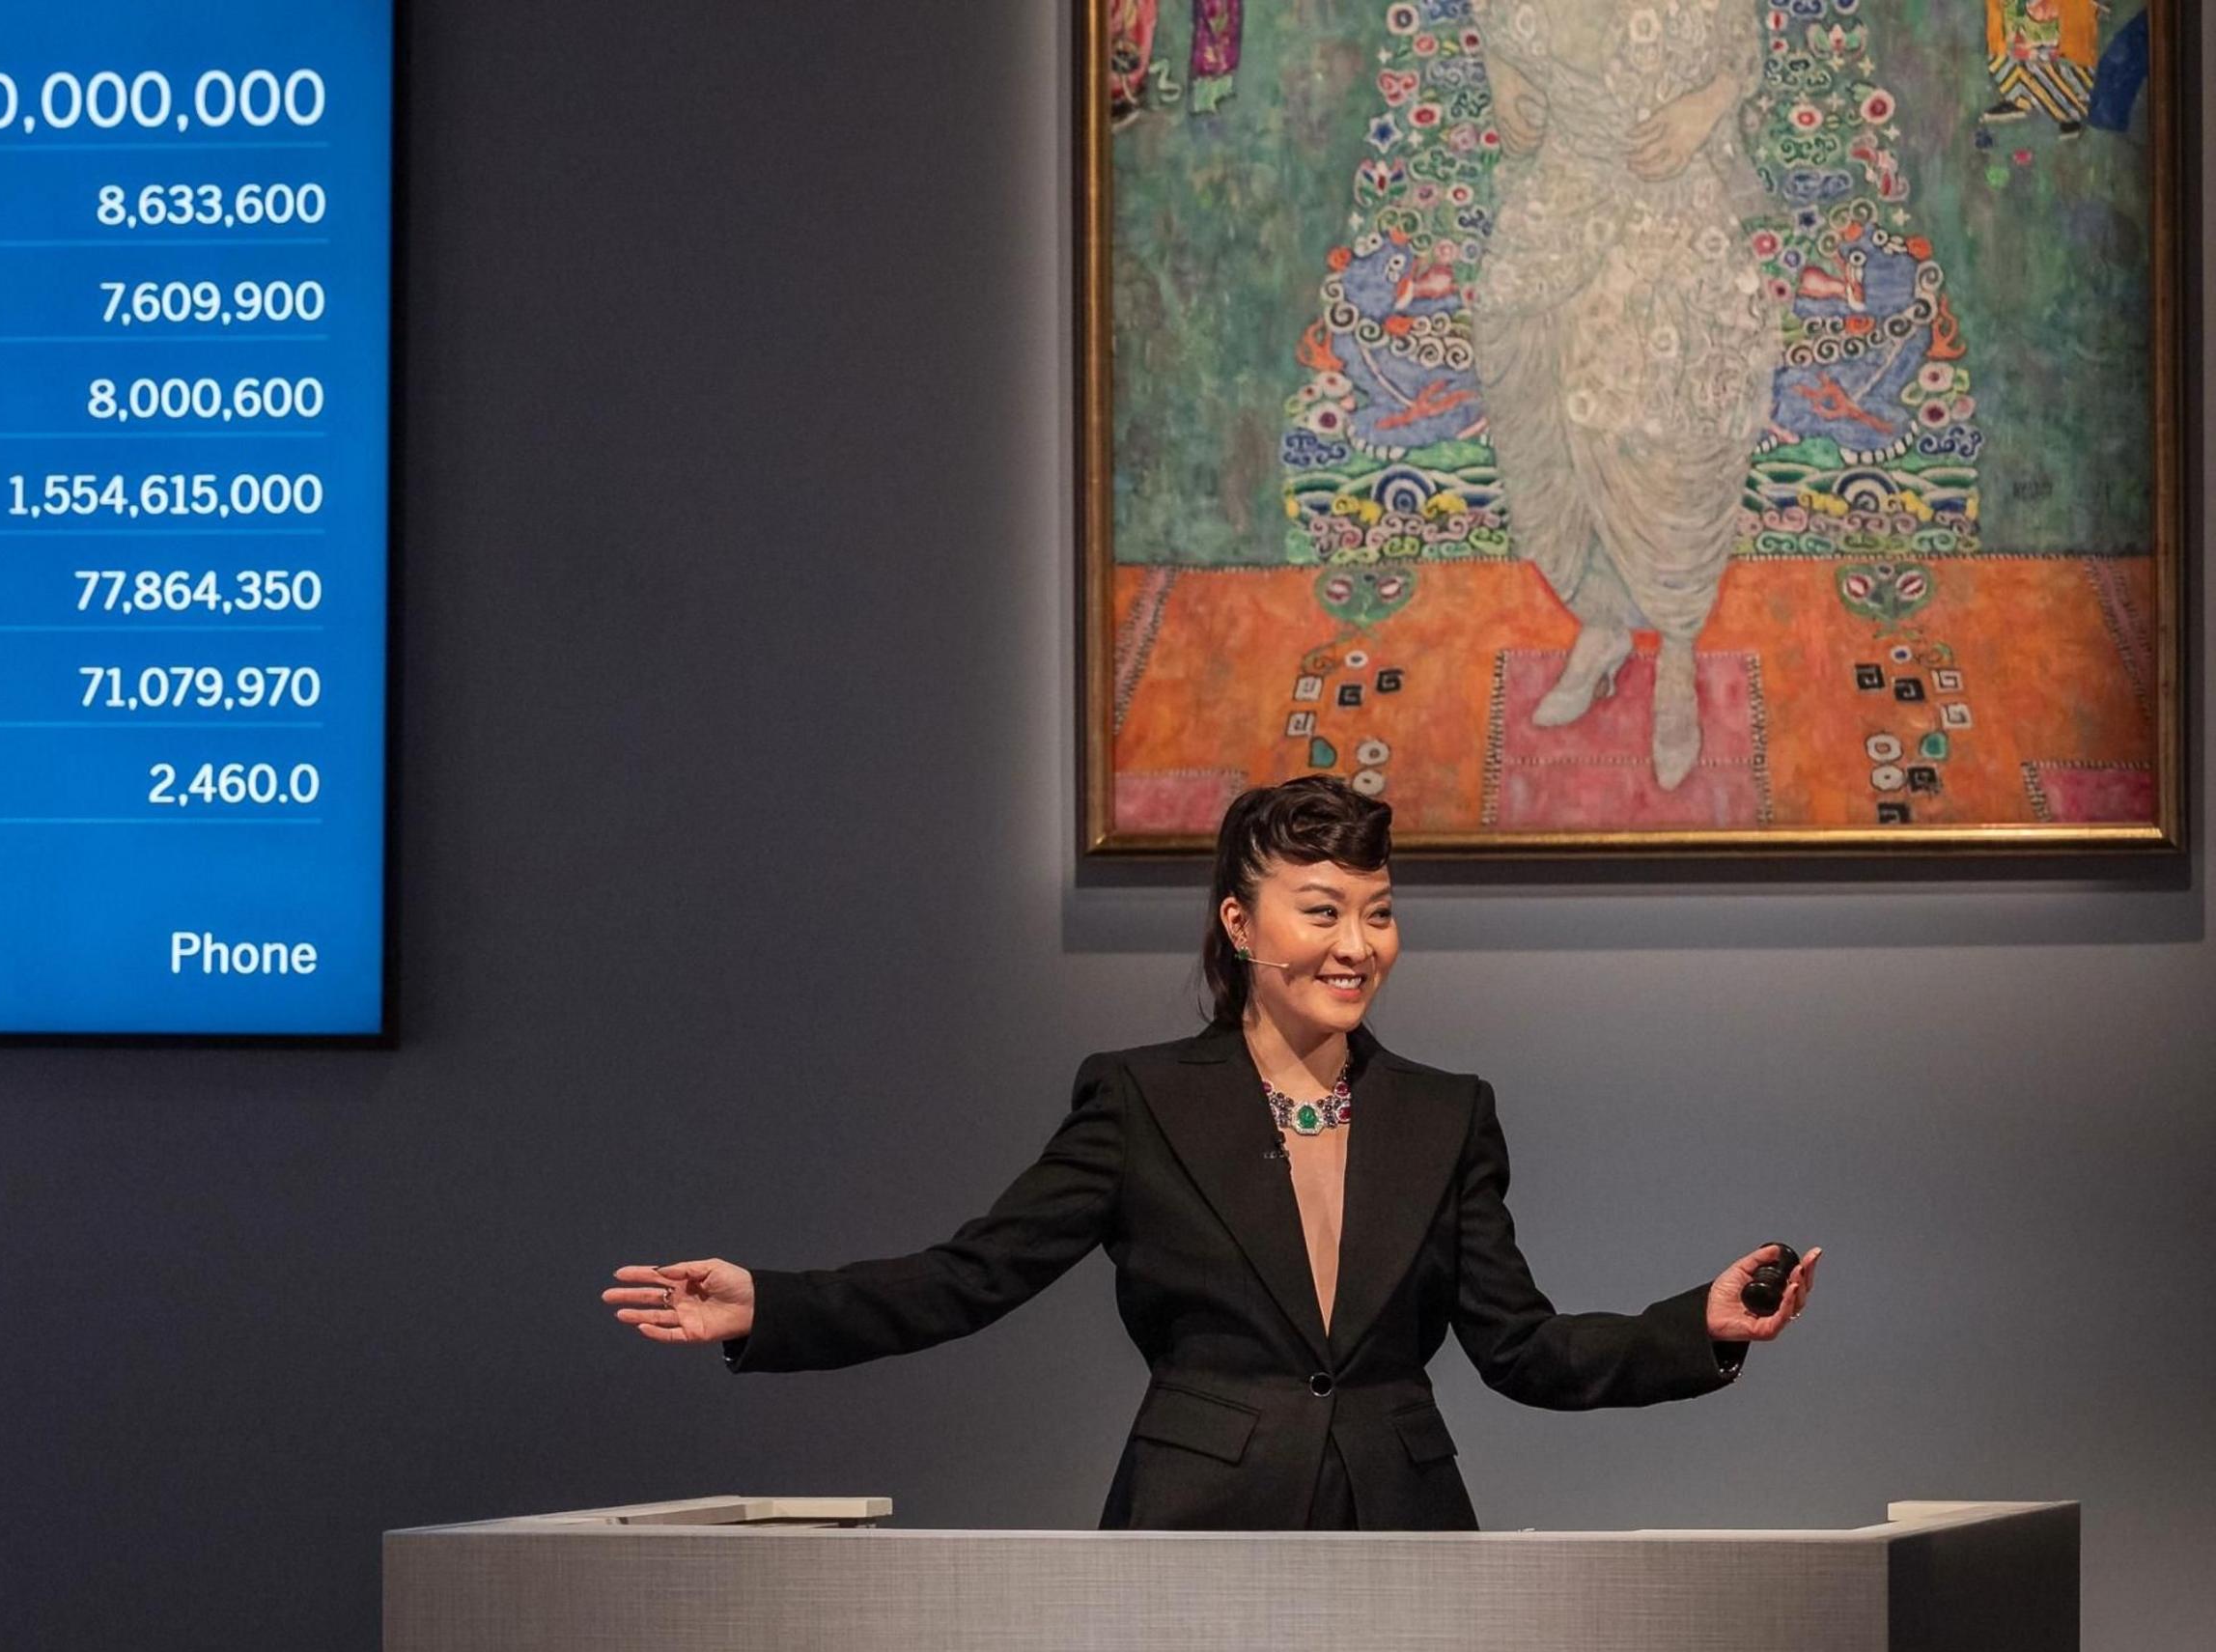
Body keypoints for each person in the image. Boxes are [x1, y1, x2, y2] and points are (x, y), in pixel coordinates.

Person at [606, 776, 1820, 1531]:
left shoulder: (1448, 1112)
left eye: (1380, 908)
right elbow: (970, 1274)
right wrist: (768, 1305)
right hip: (1196, 1524)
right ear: (1242, 925)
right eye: (1324, 909)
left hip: (1402, 1530)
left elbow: (1522, 1346)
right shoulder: (1141, 1101)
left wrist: (1696, 1326)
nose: (1360, 943)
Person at [1473, 0, 1779, 790]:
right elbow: (1502, 39)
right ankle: (1605, 624)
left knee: (1660, 424)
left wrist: (1701, 110)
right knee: (1532, 379)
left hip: (1669, 211)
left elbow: (1740, 54)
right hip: (1560, 205)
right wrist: (1510, 90)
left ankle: (1675, 652)